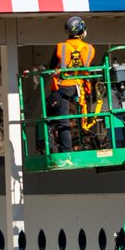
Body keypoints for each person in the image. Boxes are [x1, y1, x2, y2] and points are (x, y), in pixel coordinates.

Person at [46, 16, 97, 154]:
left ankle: (64, 151)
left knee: (56, 118)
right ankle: (87, 143)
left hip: (63, 86)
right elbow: (88, 67)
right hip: (79, 87)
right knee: (79, 117)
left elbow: (51, 66)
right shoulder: (89, 49)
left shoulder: (61, 47)